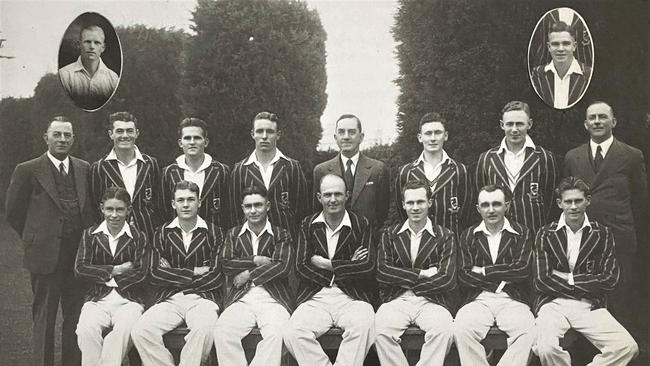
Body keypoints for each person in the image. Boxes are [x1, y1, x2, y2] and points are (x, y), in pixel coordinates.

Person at [5, 116, 94, 366]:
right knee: (44, 318)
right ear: (46, 138)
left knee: (75, 318)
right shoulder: (27, 169)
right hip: (45, 256)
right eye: (57, 134)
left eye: (67, 135)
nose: (62, 139)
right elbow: (13, 212)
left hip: (78, 257)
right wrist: (35, 237)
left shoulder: (84, 168)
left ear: (73, 139)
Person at [532, 177, 638, 366]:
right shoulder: (545, 233)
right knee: (546, 348)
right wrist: (587, 281)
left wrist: (568, 278)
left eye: (578, 200)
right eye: (568, 201)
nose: (573, 207)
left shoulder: (602, 233)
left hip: (589, 305)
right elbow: (541, 280)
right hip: (553, 304)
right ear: (559, 203)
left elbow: (609, 279)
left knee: (627, 347)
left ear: (588, 201)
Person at [563, 101, 648, 331]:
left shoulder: (631, 155)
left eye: (602, 117)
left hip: (619, 238)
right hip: (584, 239)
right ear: (585, 124)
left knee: (619, 297)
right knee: (585, 298)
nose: (597, 122)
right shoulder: (573, 157)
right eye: (592, 118)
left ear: (614, 122)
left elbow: (641, 203)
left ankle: (622, 354)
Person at [283, 174, 375, 366]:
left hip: (351, 297)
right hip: (316, 297)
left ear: (347, 196)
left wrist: (328, 264)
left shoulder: (361, 224)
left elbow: (367, 267)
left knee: (365, 325)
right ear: (319, 197)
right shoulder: (307, 225)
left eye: (338, 194)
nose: (333, 200)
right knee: (293, 333)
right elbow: (301, 266)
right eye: (327, 195)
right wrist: (347, 265)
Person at [131, 180, 224, 366]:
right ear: (173, 204)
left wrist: (172, 274)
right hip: (170, 298)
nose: (186, 204)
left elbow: (216, 276)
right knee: (141, 331)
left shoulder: (215, 233)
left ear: (200, 202)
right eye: (180, 200)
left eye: (191, 199)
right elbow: (154, 274)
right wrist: (194, 272)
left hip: (203, 298)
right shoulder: (161, 233)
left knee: (203, 329)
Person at [375, 180, 456, 366]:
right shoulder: (390, 234)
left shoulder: (445, 236)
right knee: (379, 330)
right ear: (403, 205)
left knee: (444, 330)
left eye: (420, 202)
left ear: (430, 202)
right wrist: (422, 273)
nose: (415, 207)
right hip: (397, 299)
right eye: (410, 203)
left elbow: (447, 279)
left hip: (431, 301)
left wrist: (402, 278)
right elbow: (383, 272)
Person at [454, 184, 535, 366]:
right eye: (485, 205)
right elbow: (464, 276)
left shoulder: (522, 232)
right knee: (462, 328)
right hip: (478, 299)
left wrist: (484, 270)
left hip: (513, 299)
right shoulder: (468, 235)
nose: (491, 210)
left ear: (507, 205)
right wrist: (506, 272)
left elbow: (522, 270)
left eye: (497, 204)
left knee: (528, 330)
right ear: (478, 208)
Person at [213, 185, 293, 366]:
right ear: (242, 208)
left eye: (258, 205)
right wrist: (255, 259)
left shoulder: (281, 234)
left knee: (278, 334)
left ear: (268, 206)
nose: (253, 210)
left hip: (273, 299)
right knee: (222, 331)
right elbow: (226, 264)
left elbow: (282, 266)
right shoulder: (233, 234)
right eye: (248, 206)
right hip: (242, 299)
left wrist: (248, 274)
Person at [74, 187, 147, 366]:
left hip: (129, 301)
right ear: (102, 208)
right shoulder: (90, 235)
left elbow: (143, 273)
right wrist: (115, 270)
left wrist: (101, 273)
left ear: (128, 210)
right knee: (85, 330)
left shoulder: (139, 237)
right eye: (109, 209)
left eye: (119, 209)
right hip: (97, 299)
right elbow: (80, 269)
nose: (114, 215)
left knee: (125, 330)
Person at [476, 101, 558, 233]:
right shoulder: (487, 159)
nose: (514, 129)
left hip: (534, 234)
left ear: (529, 124)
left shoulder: (544, 157)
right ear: (502, 125)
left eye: (519, 124)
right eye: (509, 124)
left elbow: (551, 201)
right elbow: (481, 197)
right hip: (499, 236)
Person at [230, 111, 309, 239]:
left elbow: (302, 212)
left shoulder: (292, 167)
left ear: (278, 135)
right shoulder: (240, 170)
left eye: (270, 132)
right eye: (260, 131)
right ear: (253, 134)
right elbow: (234, 214)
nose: (264, 136)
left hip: (287, 242)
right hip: (252, 244)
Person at [395, 112, 473, 235]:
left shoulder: (460, 170)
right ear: (420, 137)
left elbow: (466, 212)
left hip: (452, 245)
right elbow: (402, 211)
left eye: (438, 133)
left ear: (445, 136)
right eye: (428, 133)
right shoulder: (406, 172)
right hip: (418, 244)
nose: (433, 138)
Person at [90, 111, 161, 240]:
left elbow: (159, 203)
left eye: (129, 131)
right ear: (111, 134)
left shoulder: (150, 164)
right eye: (119, 131)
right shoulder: (99, 167)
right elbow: (96, 207)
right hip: (113, 237)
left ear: (137, 133)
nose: (125, 135)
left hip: (147, 235)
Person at [313, 114, 389, 230]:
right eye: (341, 132)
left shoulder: (377, 169)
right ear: (335, 137)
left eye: (352, 132)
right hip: (333, 240)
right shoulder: (321, 171)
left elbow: (382, 213)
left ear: (361, 137)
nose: (346, 137)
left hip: (367, 241)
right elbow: (318, 210)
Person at [162, 117, 231, 229]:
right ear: (180, 143)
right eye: (187, 138)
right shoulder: (169, 172)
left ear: (206, 142)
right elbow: (164, 211)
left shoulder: (221, 171)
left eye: (197, 138)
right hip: (180, 239)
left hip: (214, 238)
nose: (192, 142)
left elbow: (229, 210)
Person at [530, 21, 591, 109]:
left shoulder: (587, 74)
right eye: (555, 44)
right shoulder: (537, 75)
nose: (560, 49)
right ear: (549, 47)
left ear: (574, 46)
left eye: (566, 43)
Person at [58, 24, 119, 110]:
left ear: (103, 47)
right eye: (87, 42)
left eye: (97, 43)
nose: (92, 47)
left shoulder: (113, 78)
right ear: (79, 44)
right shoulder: (64, 75)